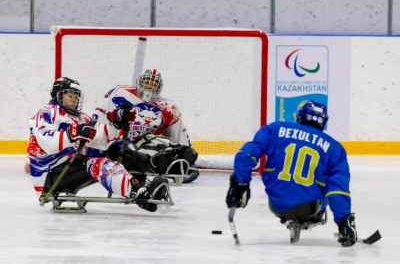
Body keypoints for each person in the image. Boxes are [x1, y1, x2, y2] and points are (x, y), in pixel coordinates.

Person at [226, 101, 357, 247]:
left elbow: (244, 156)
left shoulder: (275, 129)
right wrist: (344, 221)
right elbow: (338, 190)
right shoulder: (335, 149)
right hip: (310, 207)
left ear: (300, 116)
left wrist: (240, 184)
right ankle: (314, 218)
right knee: (328, 183)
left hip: (276, 204)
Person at [27, 77, 169, 212]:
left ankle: (142, 187)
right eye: (69, 94)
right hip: (51, 173)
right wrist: (73, 133)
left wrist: (116, 124)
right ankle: (138, 194)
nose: (74, 98)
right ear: (58, 95)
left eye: (76, 95)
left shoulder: (80, 117)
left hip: (71, 165)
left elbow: (100, 141)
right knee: (101, 165)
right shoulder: (48, 112)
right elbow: (47, 142)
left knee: (117, 156)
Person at [91, 69, 199, 184]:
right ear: (140, 82)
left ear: (159, 88)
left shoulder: (168, 107)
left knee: (162, 144)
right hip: (118, 146)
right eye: (147, 82)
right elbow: (99, 117)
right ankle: (160, 165)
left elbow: (179, 135)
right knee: (138, 154)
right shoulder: (120, 93)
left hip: (144, 144)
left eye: (153, 85)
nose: (149, 87)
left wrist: (187, 158)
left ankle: (176, 163)